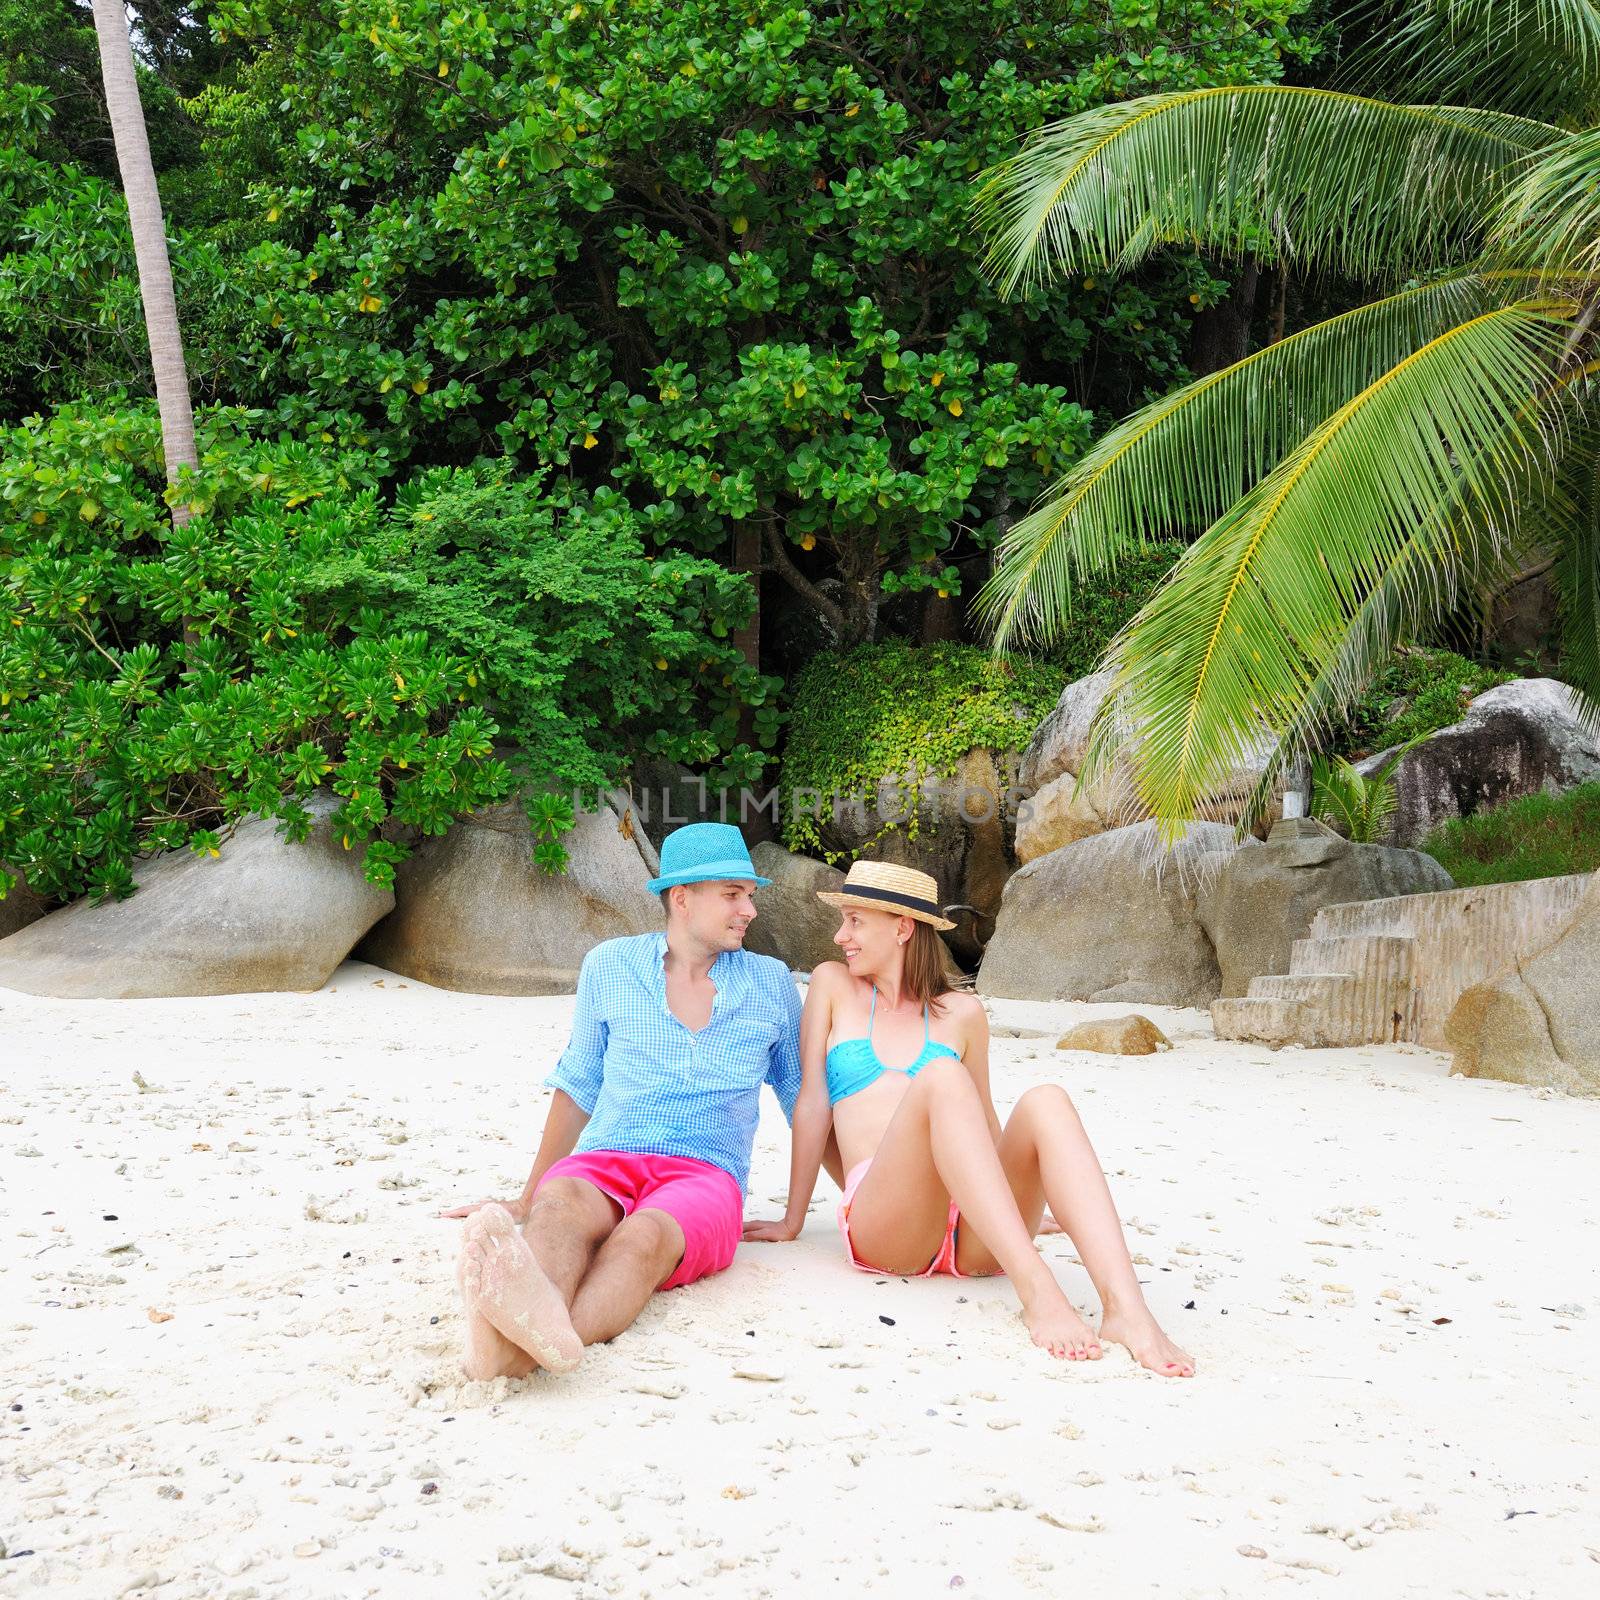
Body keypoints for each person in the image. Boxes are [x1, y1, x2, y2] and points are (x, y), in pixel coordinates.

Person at [743, 859, 1195, 1377]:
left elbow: (982, 1118)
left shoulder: (963, 1013)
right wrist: (792, 1218)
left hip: (975, 1233)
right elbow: (812, 1104)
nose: (841, 935)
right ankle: (1038, 1288)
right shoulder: (831, 985)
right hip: (890, 1227)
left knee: (1047, 1099)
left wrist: (1025, 1201)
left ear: (902, 927)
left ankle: (1128, 1312)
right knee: (940, 1075)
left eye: (854, 921)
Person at [442, 821, 819, 1380]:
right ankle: (525, 1339)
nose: (750, 911)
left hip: (705, 1176)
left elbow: (804, 1099)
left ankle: (517, 1352)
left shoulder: (771, 982)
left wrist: (804, 1212)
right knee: (560, 1206)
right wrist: (528, 1196)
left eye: (751, 896)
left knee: (641, 1237)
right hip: (604, 1157)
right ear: (683, 898)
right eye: (734, 895)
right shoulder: (609, 966)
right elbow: (579, 1082)